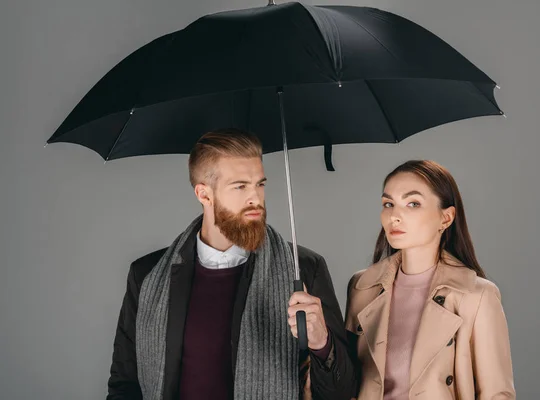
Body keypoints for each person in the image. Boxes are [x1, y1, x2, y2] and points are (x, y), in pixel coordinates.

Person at [107, 128, 356, 400]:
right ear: (204, 194)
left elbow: (342, 393)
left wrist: (322, 344)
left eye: (260, 184)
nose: (256, 199)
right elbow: (124, 383)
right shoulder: (147, 275)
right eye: (240, 186)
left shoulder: (304, 267)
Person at [345, 160, 515, 400]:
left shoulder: (477, 296)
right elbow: (344, 380)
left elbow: (497, 394)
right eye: (388, 204)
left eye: (413, 204)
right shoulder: (361, 288)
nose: (395, 215)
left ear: (446, 218)